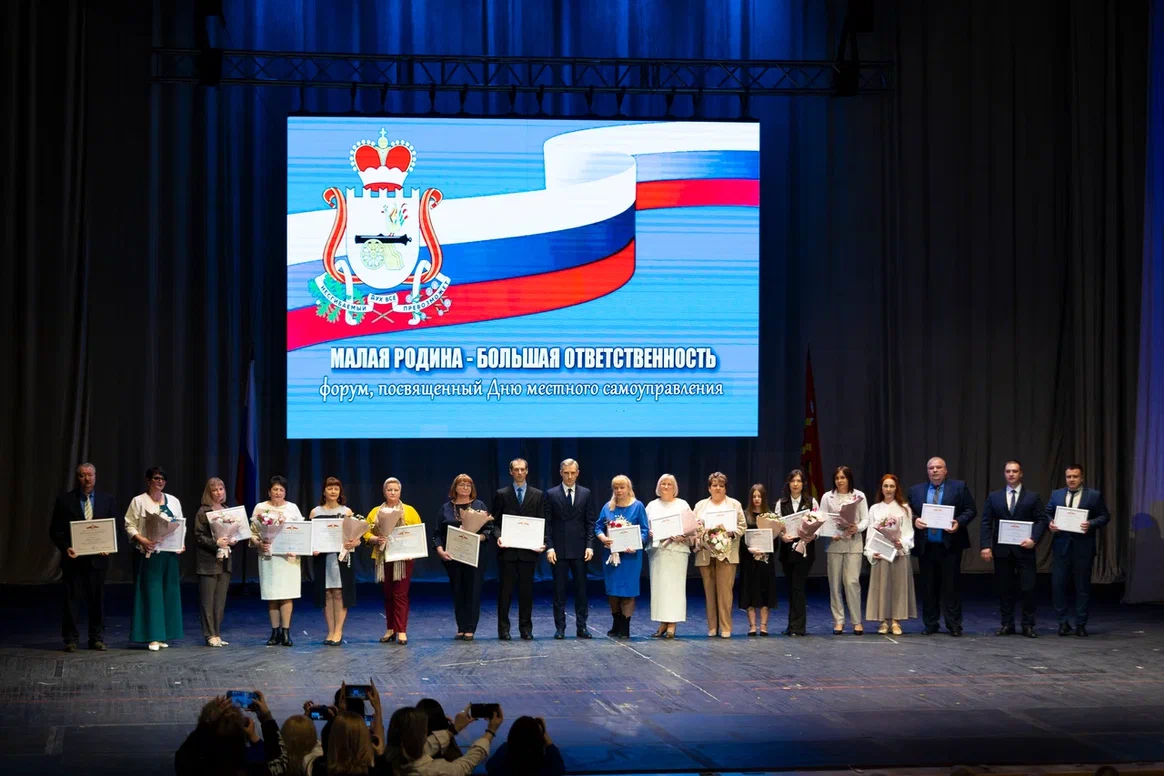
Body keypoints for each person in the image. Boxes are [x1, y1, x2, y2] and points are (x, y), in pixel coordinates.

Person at [49, 462, 116, 652]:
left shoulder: (107, 499)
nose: (86, 479)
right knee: (71, 601)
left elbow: (115, 527)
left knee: (97, 601)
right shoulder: (65, 500)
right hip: (74, 560)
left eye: (90, 475)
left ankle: (96, 638)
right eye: (82, 475)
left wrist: (109, 546)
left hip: (98, 560)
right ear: (77, 478)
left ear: (95, 477)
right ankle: (70, 639)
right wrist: (66, 548)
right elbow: (55, 531)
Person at [907, 457, 977, 636]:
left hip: (950, 546)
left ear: (945, 470)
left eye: (938, 467)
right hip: (926, 547)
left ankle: (954, 625)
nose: (935, 470)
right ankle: (931, 624)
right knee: (928, 587)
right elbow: (907, 512)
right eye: (931, 468)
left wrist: (958, 522)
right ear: (927, 471)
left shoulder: (959, 487)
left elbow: (971, 510)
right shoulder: (916, 490)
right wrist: (914, 520)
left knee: (951, 586)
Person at [980, 460, 1047, 638]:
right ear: (1004, 474)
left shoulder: (1032, 496)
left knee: (1028, 588)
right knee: (1004, 589)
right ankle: (1007, 624)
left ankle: (1028, 625)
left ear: (1021, 473)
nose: (1011, 474)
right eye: (1008, 471)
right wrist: (985, 545)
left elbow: (1042, 520)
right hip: (1002, 550)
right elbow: (986, 522)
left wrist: (1034, 539)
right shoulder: (994, 496)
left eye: (1014, 471)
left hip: (1025, 549)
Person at [124, 466, 185, 651]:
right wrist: (142, 540)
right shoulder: (138, 501)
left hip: (169, 555)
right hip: (149, 555)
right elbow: (129, 525)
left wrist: (181, 543)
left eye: (162, 479)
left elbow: (180, 525)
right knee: (151, 594)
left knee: (168, 593)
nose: (160, 482)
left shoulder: (173, 501)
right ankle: (152, 636)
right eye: (156, 478)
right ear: (148, 480)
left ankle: (163, 635)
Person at [1046, 464, 1111, 637]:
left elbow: (1105, 516)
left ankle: (1081, 623)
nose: (1071, 479)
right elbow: (1047, 513)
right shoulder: (1056, 494)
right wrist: (1050, 523)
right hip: (1061, 547)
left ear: (1081, 478)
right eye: (1069, 476)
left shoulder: (1093, 495)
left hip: (1084, 547)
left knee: (1082, 587)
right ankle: (1063, 623)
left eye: (1075, 476)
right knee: (1058, 586)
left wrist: (1091, 524)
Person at [364, 477, 422, 646]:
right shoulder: (375, 512)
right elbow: (365, 531)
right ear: (384, 492)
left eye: (396, 490)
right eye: (389, 490)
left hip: (403, 558)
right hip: (383, 556)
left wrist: (412, 551)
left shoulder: (409, 511)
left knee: (400, 594)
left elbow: (417, 532)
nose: (392, 492)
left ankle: (401, 630)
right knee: (388, 594)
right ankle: (390, 629)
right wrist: (375, 539)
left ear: (400, 492)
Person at [493, 458, 546, 640]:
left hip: (528, 553)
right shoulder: (502, 494)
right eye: (516, 469)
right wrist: (498, 536)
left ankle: (526, 629)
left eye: (522, 469)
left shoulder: (537, 495)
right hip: (507, 552)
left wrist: (543, 542)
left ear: (527, 471)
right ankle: (503, 629)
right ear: (511, 472)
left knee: (526, 593)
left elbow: (542, 522)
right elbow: (494, 523)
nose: (519, 472)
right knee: (505, 593)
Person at [432, 474, 490, 640]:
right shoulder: (445, 508)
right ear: (455, 488)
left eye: (468, 485)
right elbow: (437, 533)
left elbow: (489, 529)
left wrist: (480, 537)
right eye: (461, 485)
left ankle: (470, 628)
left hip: (475, 556)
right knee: (458, 591)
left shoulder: (479, 506)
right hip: (453, 556)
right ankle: (461, 627)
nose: (465, 487)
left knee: (473, 590)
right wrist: (440, 550)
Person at [175, 690, 288, 776]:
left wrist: (207, 723)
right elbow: (281, 761)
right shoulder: (255, 769)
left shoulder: (189, 767)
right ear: (242, 734)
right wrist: (264, 719)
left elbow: (184, 754)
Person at [544, 458, 596, 639]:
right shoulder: (551, 494)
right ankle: (560, 628)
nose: (569, 476)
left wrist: (590, 546)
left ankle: (582, 627)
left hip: (580, 550)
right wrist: (549, 547)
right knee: (559, 592)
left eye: (573, 473)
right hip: (558, 551)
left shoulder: (586, 493)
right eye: (566, 473)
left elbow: (590, 522)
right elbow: (547, 523)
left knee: (581, 592)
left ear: (578, 473)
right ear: (561, 473)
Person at [251, 475, 305, 647]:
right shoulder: (260, 507)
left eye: (281, 490)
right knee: (272, 595)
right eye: (275, 489)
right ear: (269, 491)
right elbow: (253, 533)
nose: (278, 492)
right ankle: (275, 632)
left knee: (287, 595)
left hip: (289, 558)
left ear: (285, 492)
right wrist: (259, 543)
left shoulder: (292, 508)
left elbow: (301, 531)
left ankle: (286, 632)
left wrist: (296, 547)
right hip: (269, 557)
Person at [693, 472, 748, 638]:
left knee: (725, 593)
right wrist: (702, 532)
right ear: (709, 488)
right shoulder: (700, 506)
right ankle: (712, 627)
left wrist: (729, 533)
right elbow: (694, 527)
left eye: (721, 486)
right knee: (709, 593)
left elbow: (742, 526)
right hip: (705, 553)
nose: (718, 488)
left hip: (727, 554)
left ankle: (725, 627)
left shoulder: (734, 504)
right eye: (714, 485)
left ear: (725, 488)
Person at [595, 474, 650, 639]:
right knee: (613, 591)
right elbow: (598, 526)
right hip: (612, 556)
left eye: (622, 487)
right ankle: (616, 622)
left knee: (628, 592)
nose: (619, 491)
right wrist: (603, 538)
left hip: (631, 557)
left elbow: (645, 530)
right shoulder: (608, 507)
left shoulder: (638, 506)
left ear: (628, 488)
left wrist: (637, 543)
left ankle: (625, 626)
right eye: (616, 488)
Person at [864, 474, 916, 634]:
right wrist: (871, 551)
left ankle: (896, 621)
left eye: (891, 486)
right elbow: (870, 533)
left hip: (898, 553)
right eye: (885, 486)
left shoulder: (904, 508)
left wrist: (902, 543)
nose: (888, 489)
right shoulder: (874, 508)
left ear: (896, 488)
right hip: (881, 553)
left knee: (898, 588)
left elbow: (908, 532)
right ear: (881, 488)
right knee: (882, 588)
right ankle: (884, 621)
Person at [310, 477, 360, 646]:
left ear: (340, 492)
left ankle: (338, 630)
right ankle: (330, 631)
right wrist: (312, 547)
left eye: (336, 488)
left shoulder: (347, 512)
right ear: (324, 491)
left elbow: (357, 539)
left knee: (339, 593)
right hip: (322, 558)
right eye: (329, 488)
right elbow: (310, 537)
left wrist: (353, 543)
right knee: (327, 593)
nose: (333, 491)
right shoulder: (315, 512)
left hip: (341, 558)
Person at [820, 466, 869, 635]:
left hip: (853, 543)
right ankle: (838, 621)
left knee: (852, 582)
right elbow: (822, 519)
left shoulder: (859, 496)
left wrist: (858, 527)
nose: (839, 481)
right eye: (837, 478)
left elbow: (865, 519)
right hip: (834, 544)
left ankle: (856, 621)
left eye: (842, 477)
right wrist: (830, 533)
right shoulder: (827, 496)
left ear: (849, 479)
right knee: (834, 584)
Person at [389, 706, 502, 776]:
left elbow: (428, 746)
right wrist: (491, 731)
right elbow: (463, 767)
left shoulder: (395, 759)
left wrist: (454, 728)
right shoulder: (432, 771)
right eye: (424, 731)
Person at [193, 477, 239, 647]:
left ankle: (217, 633)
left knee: (220, 601)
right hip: (208, 562)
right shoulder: (203, 511)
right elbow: (199, 537)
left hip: (225, 561)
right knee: (207, 601)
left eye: (221, 489)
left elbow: (233, 532)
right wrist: (216, 543)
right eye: (215, 490)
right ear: (209, 492)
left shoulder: (227, 510)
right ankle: (209, 634)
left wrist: (233, 540)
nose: (219, 492)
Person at [645, 474, 692, 639]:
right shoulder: (651, 506)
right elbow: (645, 527)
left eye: (669, 484)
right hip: (658, 551)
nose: (666, 487)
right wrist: (649, 532)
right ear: (658, 486)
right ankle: (663, 623)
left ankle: (672, 624)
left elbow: (692, 527)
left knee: (675, 588)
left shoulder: (682, 505)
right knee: (660, 589)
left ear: (675, 487)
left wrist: (683, 536)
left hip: (677, 551)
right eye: (663, 484)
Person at [776, 469, 819, 637]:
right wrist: (782, 536)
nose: (795, 484)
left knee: (798, 587)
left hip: (805, 550)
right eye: (793, 481)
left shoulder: (811, 502)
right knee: (791, 587)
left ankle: (798, 627)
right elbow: (777, 525)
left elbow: (819, 525)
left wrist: (813, 535)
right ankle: (791, 625)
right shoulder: (781, 503)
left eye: (799, 481)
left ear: (803, 484)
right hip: (787, 550)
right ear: (788, 483)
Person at [486, 716, 566, 776]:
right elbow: (559, 768)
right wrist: (544, 734)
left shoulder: (502, 767)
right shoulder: (546, 771)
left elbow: (490, 766)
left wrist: (516, 737)